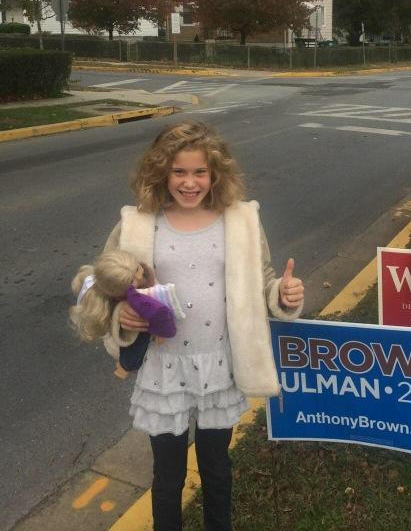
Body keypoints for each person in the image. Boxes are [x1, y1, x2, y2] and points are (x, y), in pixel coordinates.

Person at [100, 122, 304, 531]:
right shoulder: (137, 224)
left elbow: (261, 278)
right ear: (161, 172)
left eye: (199, 172)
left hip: (219, 367)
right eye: (179, 172)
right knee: (167, 476)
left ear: (215, 174)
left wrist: (281, 294)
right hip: (165, 368)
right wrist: (120, 318)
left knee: (216, 469)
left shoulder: (240, 220)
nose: (189, 183)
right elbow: (105, 287)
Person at [70, 249, 186, 378]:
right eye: (132, 280)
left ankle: (126, 365)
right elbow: (160, 313)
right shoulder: (136, 296)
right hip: (154, 344)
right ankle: (127, 365)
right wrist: (117, 311)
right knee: (138, 342)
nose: (139, 277)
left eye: (137, 270)